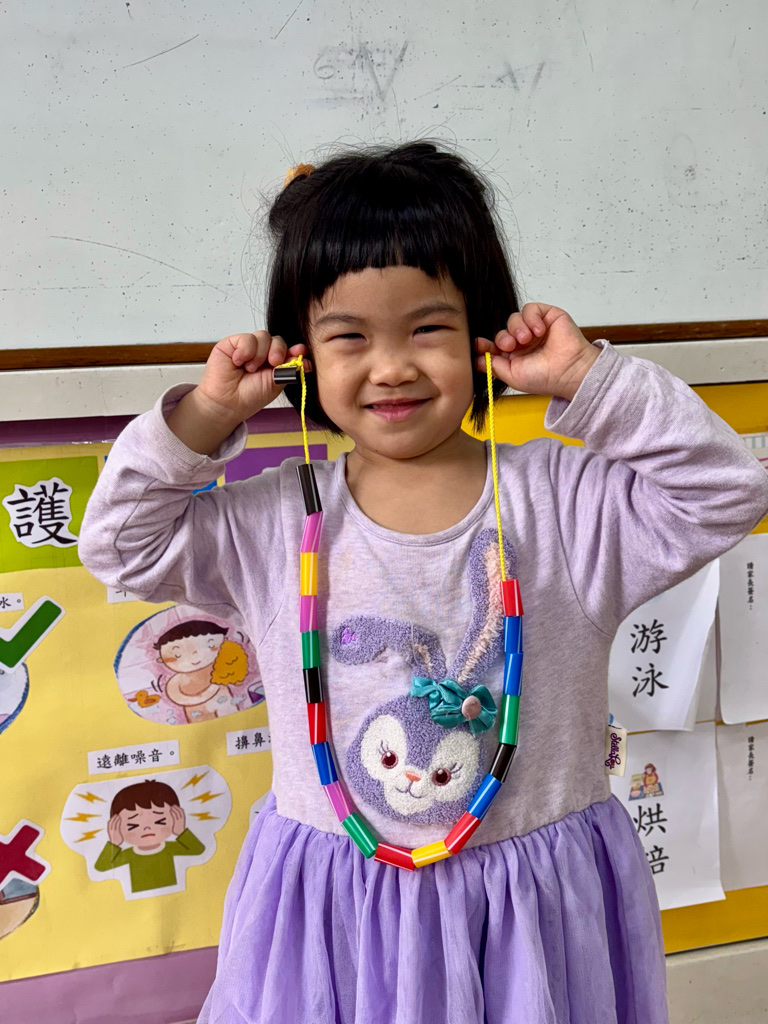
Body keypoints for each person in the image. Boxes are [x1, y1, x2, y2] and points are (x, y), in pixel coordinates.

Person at [79, 141, 768, 1024]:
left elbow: (727, 489)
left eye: (428, 329)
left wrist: (587, 380)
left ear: (485, 333)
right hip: (333, 917)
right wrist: (206, 415)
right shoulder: (274, 521)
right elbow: (120, 546)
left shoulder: (564, 505)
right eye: (349, 337)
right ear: (300, 358)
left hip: (527, 917)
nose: (392, 366)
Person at [94, 779, 205, 894]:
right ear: (117, 827)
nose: (147, 828)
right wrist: (114, 842)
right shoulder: (128, 855)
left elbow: (198, 850)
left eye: (160, 821)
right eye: (133, 826)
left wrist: (181, 831)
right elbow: (101, 867)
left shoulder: (171, 848)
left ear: (176, 817)